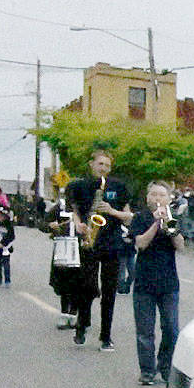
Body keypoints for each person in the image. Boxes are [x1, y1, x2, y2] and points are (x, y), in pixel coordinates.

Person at [66, 150, 133, 350]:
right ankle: (82, 324)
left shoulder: (118, 187)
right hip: (90, 241)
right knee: (86, 287)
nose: (103, 168)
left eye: (107, 165)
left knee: (110, 291)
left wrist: (112, 211)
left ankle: (106, 335)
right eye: (100, 164)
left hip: (112, 242)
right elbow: (75, 211)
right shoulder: (80, 186)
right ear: (92, 164)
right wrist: (78, 224)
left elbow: (128, 215)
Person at [129, 180, 183, 385]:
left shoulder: (174, 218)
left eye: (162, 195)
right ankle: (147, 371)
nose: (158, 198)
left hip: (169, 282)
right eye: (154, 194)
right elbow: (140, 244)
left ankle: (165, 365)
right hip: (144, 282)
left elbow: (180, 246)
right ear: (147, 197)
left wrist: (170, 227)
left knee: (171, 328)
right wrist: (155, 223)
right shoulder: (140, 218)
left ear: (169, 199)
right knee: (145, 331)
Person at [46, 195, 79, 328]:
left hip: (81, 247)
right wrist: (51, 225)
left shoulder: (86, 205)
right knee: (64, 282)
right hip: (63, 248)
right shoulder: (61, 206)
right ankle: (64, 313)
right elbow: (44, 222)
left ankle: (74, 314)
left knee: (78, 282)